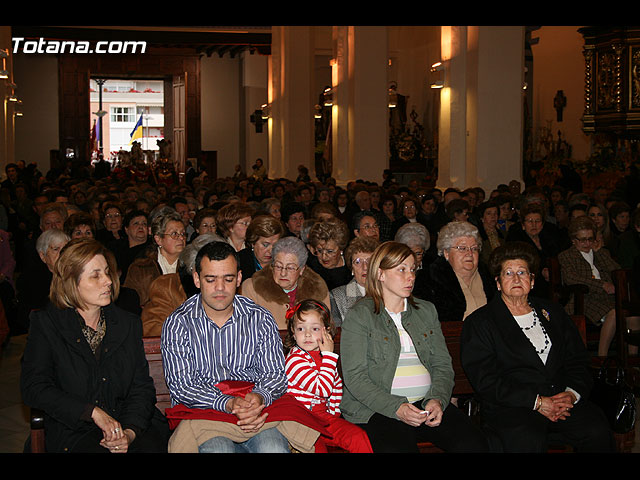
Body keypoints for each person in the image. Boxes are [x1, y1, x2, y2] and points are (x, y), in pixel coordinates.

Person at [161, 241, 316, 453]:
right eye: (210, 279)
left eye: (228, 279)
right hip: (205, 412)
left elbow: (275, 374)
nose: (220, 288)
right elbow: (182, 386)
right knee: (219, 450)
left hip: (255, 410)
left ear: (239, 278)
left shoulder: (259, 317)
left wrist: (259, 397)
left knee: (273, 449)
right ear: (197, 279)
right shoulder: (179, 323)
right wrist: (228, 403)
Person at [460, 241, 616, 453]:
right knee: (527, 439)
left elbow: (578, 360)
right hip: (513, 406)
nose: (516, 278)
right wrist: (537, 402)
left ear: (532, 281)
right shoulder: (481, 322)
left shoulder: (553, 312)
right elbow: (485, 379)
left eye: (522, 272)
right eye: (508, 273)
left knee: (596, 430)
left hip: (562, 400)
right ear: (498, 283)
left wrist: (571, 394)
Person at [20, 238, 170, 453]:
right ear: (72, 282)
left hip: (128, 423)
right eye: (95, 275)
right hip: (75, 428)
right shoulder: (48, 324)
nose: (108, 281)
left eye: (107, 272)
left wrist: (129, 432)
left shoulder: (127, 323)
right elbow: (34, 387)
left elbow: (141, 388)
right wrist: (92, 412)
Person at [339, 241, 490, 453]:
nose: (410, 276)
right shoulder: (360, 316)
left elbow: (442, 365)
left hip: (426, 403)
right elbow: (355, 377)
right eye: (401, 269)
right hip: (377, 408)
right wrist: (396, 408)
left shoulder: (425, 311)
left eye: (412, 269)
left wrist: (437, 399)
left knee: (474, 444)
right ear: (380, 274)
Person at [283, 299, 373, 453]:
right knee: (316, 449)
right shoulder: (294, 360)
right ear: (292, 330)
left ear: (326, 330)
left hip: (322, 417)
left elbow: (336, 387)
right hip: (300, 420)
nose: (307, 334)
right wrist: (329, 356)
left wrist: (333, 413)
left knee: (357, 436)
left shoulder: (324, 357)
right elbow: (323, 389)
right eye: (300, 329)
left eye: (315, 328)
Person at [558, 216, 637, 357]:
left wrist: (600, 252)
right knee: (614, 313)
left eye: (590, 239)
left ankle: (632, 361)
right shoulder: (567, 256)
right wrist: (601, 285)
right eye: (583, 240)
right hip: (586, 298)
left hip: (609, 297)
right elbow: (571, 278)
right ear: (573, 240)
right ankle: (602, 357)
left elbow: (617, 271)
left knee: (633, 316)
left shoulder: (601, 253)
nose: (587, 243)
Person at [241, 236, 330, 330]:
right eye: (278, 266)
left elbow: (326, 329)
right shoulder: (253, 287)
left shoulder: (317, 290)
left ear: (301, 269)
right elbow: (247, 330)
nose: (283, 273)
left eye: (290, 268)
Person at [141, 233, 221, 337]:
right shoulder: (168, 286)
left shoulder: (231, 288)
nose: (220, 283)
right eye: (211, 276)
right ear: (194, 269)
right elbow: (152, 329)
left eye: (227, 277)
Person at [424, 221, 496, 322]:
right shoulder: (432, 280)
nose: (470, 253)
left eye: (474, 248)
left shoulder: (489, 277)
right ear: (446, 253)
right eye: (462, 248)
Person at [124, 209, 186, 308]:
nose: (181, 238)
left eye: (183, 233)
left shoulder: (191, 267)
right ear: (158, 239)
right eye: (174, 234)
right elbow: (129, 306)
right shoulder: (141, 268)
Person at [329, 236, 378, 327]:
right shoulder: (336, 297)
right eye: (358, 262)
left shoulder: (390, 292)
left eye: (369, 261)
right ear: (352, 268)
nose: (365, 267)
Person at [306, 219, 352, 290]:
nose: (324, 257)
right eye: (319, 251)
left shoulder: (351, 267)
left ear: (341, 249)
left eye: (330, 251)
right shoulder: (311, 269)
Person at [237, 214, 285, 282]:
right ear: (253, 242)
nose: (271, 251)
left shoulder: (284, 262)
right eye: (265, 245)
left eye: (275, 245)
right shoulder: (239, 262)